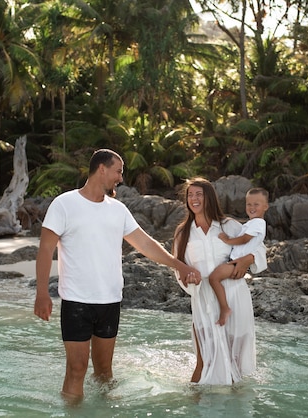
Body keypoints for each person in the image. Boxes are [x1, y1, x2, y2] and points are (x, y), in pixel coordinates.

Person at [34, 149, 199, 403]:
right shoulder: (64, 204)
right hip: (76, 301)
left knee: (104, 372)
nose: (120, 178)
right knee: (77, 369)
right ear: (102, 169)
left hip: (110, 301)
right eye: (118, 171)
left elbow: (144, 244)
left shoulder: (118, 210)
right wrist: (42, 293)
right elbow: (45, 249)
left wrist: (178, 264)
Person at [173, 177, 267, 385]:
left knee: (235, 359)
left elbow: (258, 248)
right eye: (190, 195)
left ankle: (235, 409)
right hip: (204, 300)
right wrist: (189, 279)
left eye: (199, 194)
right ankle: (194, 407)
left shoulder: (230, 226)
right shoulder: (183, 233)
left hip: (235, 296)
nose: (194, 199)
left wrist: (247, 260)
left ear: (210, 197)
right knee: (203, 359)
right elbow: (179, 268)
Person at [209, 187, 269, 326]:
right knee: (214, 279)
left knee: (214, 278)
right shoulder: (251, 223)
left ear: (265, 206)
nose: (252, 207)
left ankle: (225, 309)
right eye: (249, 204)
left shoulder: (259, 223)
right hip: (234, 262)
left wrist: (227, 240)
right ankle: (224, 307)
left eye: (256, 204)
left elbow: (244, 240)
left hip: (236, 264)